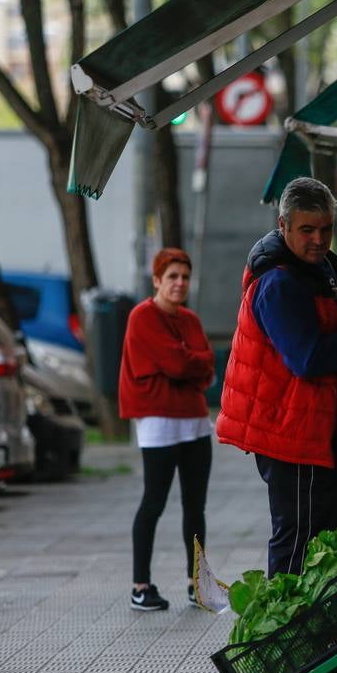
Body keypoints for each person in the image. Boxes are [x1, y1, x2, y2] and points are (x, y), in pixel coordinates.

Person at [216, 178, 337, 579]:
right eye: (307, 230)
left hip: (334, 434)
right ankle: (291, 639)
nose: (318, 239)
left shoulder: (321, 267)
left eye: (326, 229)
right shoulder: (279, 283)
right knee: (301, 551)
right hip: (298, 439)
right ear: (284, 225)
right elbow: (309, 359)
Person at [118, 248, 215, 612]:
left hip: (193, 421)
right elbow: (178, 364)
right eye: (172, 276)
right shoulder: (142, 317)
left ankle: (196, 583)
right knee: (153, 502)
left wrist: (191, 361)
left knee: (195, 506)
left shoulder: (190, 320)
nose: (179, 283)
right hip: (158, 422)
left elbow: (206, 367)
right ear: (157, 280)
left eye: (185, 277)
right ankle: (141, 586)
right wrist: (190, 360)